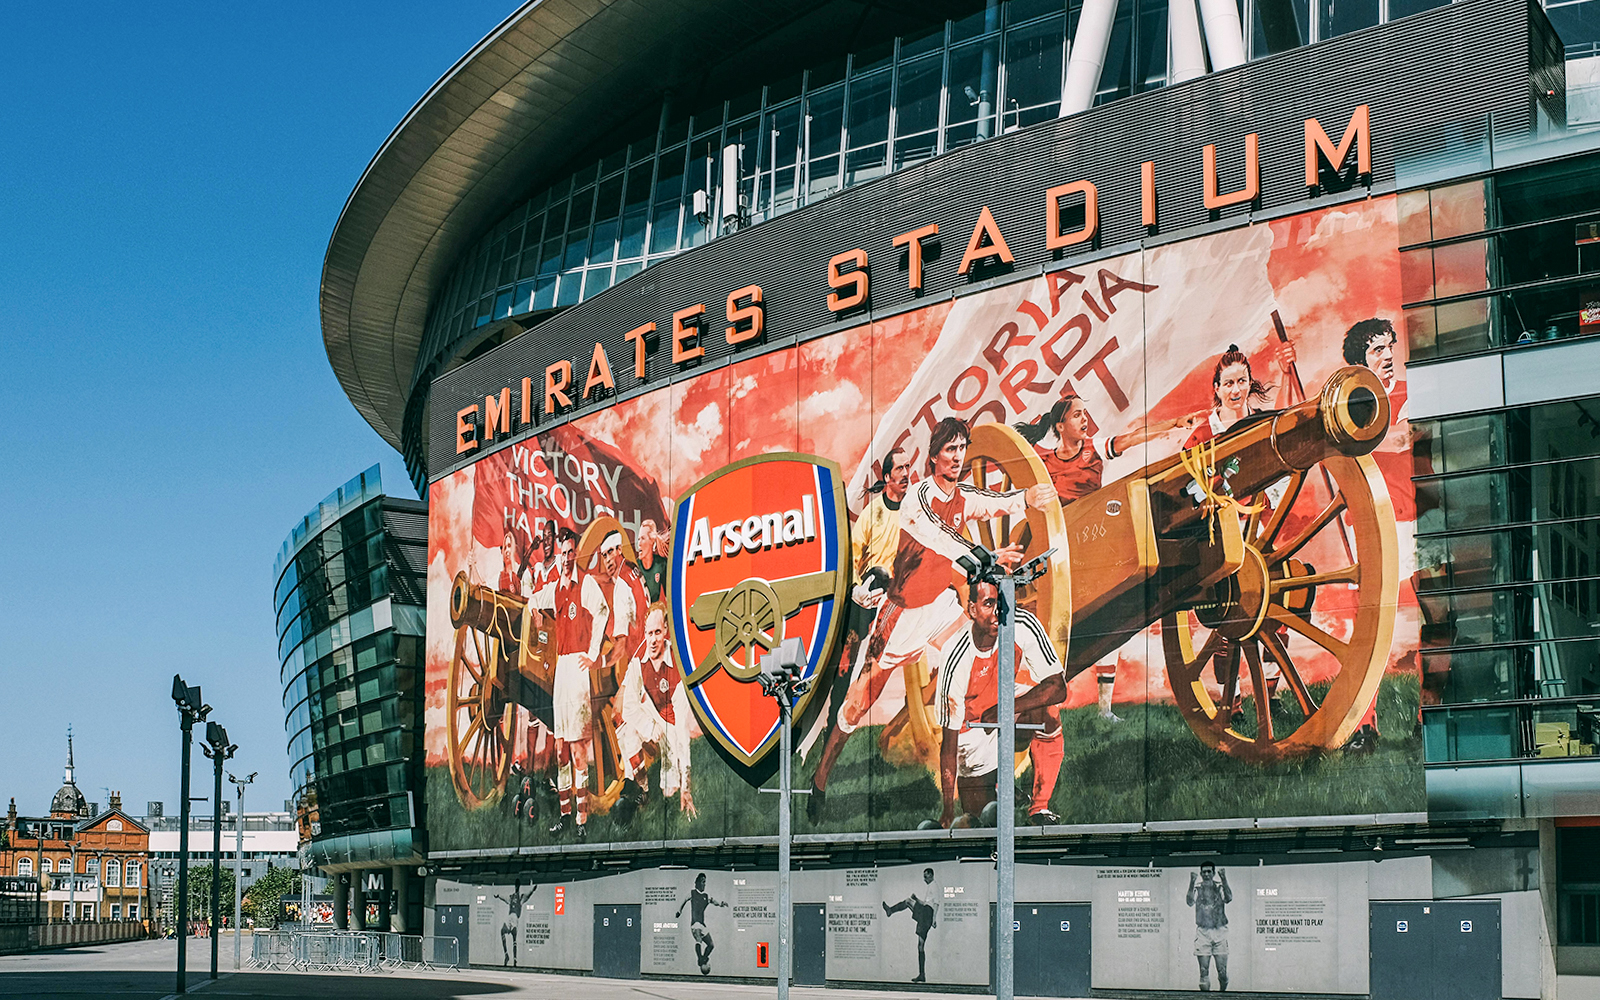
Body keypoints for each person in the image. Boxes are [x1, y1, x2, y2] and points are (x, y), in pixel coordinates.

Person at [808, 418, 1058, 821]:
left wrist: (1026, 496)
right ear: (933, 457)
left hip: (942, 608)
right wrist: (988, 557)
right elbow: (941, 536)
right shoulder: (917, 499)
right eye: (950, 451)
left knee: (980, 663)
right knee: (855, 707)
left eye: (962, 450)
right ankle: (820, 782)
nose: (957, 458)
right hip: (900, 614)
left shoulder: (961, 494)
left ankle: (984, 778)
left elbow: (992, 501)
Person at [808, 445, 911, 809]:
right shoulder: (874, 512)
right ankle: (827, 734)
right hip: (864, 601)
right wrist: (857, 589)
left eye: (907, 467)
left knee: (876, 675)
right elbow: (854, 552)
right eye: (898, 468)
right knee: (844, 669)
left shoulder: (913, 508)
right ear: (886, 476)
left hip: (898, 600)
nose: (904, 473)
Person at [935, 580, 1067, 828]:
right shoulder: (956, 654)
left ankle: (1039, 807)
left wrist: (1007, 707)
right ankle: (997, 785)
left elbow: (1058, 688)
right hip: (971, 727)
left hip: (1003, 704)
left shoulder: (1022, 623)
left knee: (1048, 710)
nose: (998, 612)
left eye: (1002, 603)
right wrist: (947, 810)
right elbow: (949, 743)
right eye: (988, 604)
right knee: (981, 818)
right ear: (972, 610)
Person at [1339, 317, 1412, 754]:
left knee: (1435, 623)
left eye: (1389, 346)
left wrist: (1352, 439)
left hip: (1415, 520)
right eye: (1375, 351)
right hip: (1368, 523)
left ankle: (1431, 715)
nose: (1387, 356)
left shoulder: (1407, 393)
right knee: (1365, 632)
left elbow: (1403, 437)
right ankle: (1365, 726)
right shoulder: (1351, 404)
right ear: (1358, 363)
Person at [529, 527, 610, 840]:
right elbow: (533, 600)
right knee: (561, 749)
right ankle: (564, 815)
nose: (566, 557)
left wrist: (591, 654)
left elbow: (602, 612)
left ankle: (581, 819)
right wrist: (537, 614)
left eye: (570, 552)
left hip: (577, 668)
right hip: (561, 670)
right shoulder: (555, 588)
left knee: (578, 750)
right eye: (563, 552)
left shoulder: (585, 583)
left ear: (576, 553)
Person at [615, 606, 696, 820]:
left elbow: (682, 732)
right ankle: (643, 789)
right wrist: (649, 727)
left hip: (674, 721)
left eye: (657, 633)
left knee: (670, 790)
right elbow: (629, 706)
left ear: (666, 631)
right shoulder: (638, 662)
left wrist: (686, 787)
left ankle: (672, 781)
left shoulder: (677, 665)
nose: (652, 640)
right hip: (653, 716)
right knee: (625, 731)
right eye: (649, 633)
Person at [882, 867, 940, 983]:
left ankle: (890, 911)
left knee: (908, 901)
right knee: (920, 946)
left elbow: (936, 904)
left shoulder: (934, 886)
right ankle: (922, 975)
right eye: (924, 876)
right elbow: (925, 902)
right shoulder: (930, 887)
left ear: (931, 875)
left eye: (926, 876)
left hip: (927, 914)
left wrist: (934, 919)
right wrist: (917, 899)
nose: (924, 879)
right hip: (925, 913)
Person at [1187, 862, 1232, 991]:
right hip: (1203, 932)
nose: (1207, 874)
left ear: (1213, 873)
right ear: (1201, 874)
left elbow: (1228, 898)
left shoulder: (1219, 886)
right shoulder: (1197, 887)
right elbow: (1190, 902)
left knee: (1222, 971)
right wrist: (1191, 881)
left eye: (1209, 871)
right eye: (1204, 872)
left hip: (1219, 931)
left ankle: (1222, 994)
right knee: (1203, 971)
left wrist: (1224, 879)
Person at [674, 873, 729, 975]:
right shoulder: (692, 893)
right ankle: (700, 959)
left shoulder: (706, 896)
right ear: (697, 883)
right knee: (698, 940)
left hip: (702, 925)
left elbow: (713, 901)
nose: (704, 884)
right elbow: (684, 900)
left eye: (705, 882)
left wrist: (721, 904)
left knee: (711, 945)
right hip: (695, 924)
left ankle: (703, 959)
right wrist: (679, 911)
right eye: (703, 882)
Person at [492, 878, 530, 966]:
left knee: (514, 937)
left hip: (515, 918)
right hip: (510, 917)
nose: (516, 887)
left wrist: (532, 890)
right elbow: (505, 898)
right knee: (502, 931)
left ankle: (515, 959)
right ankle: (506, 955)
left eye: (517, 885)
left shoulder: (521, 897)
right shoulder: (511, 896)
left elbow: (528, 895)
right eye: (515, 885)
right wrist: (498, 896)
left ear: (519, 886)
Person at [635, 519, 670, 603]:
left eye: (643, 538)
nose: (639, 543)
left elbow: (669, 595)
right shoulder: (635, 566)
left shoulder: (661, 564)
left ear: (652, 541)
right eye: (638, 539)